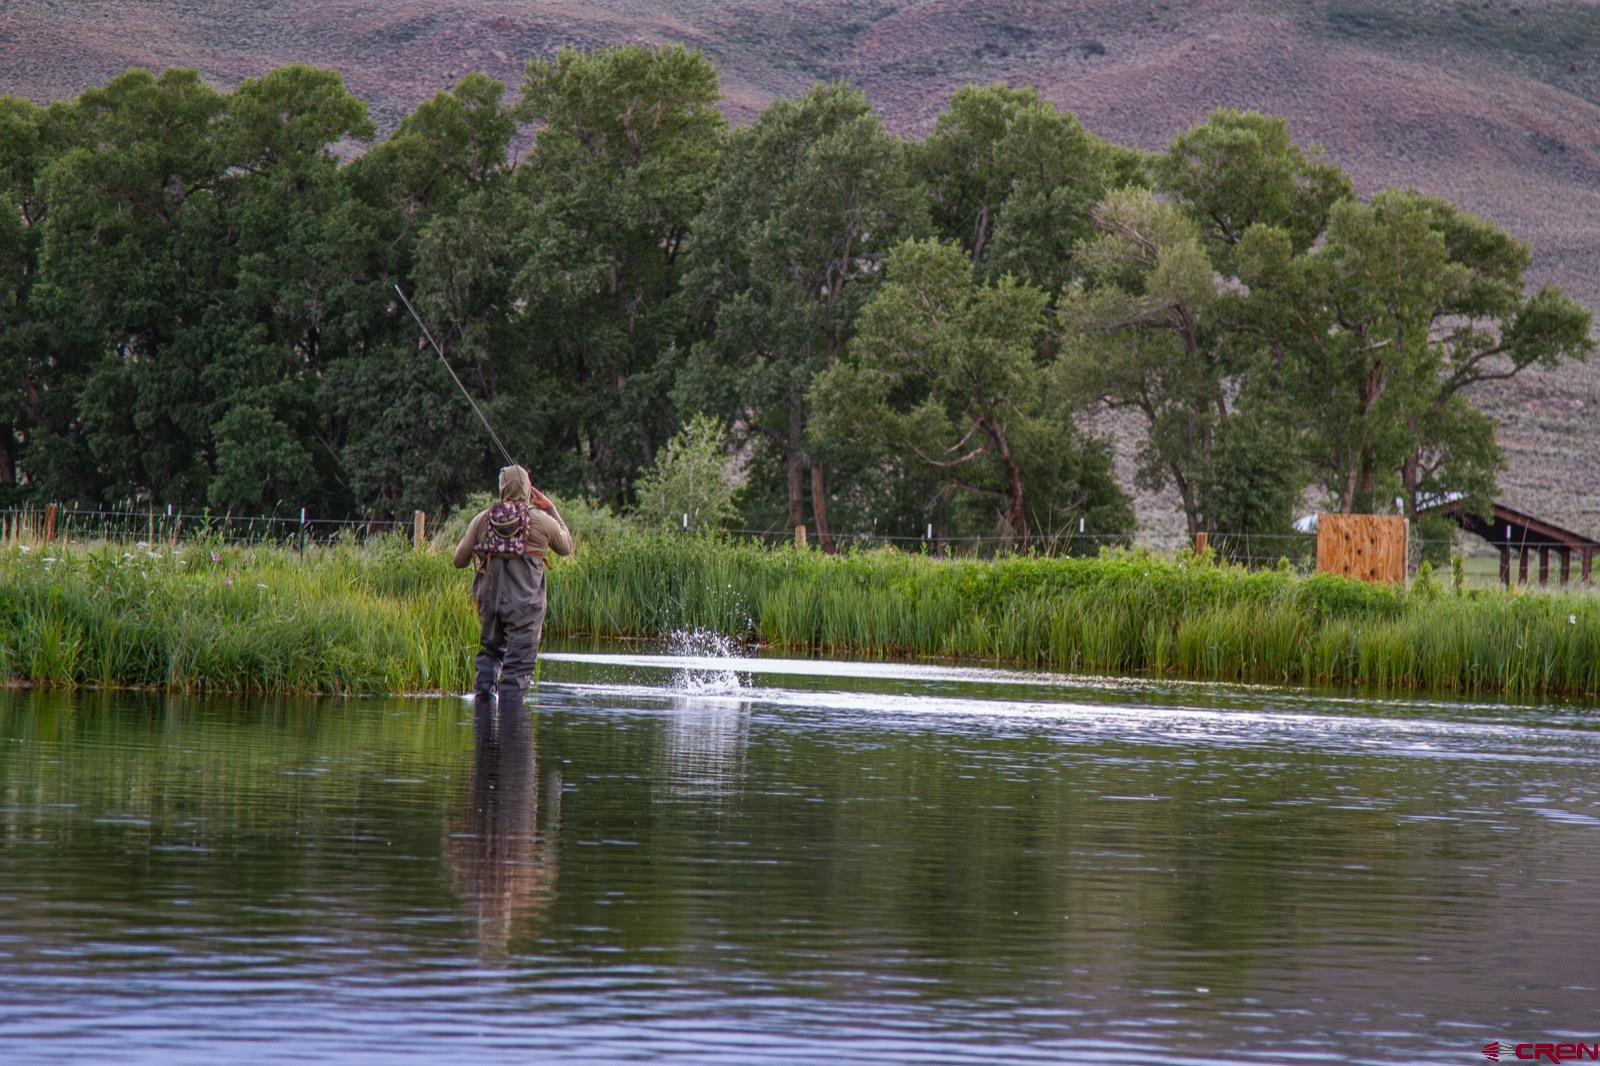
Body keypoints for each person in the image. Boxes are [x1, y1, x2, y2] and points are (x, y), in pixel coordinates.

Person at [452, 465, 573, 706]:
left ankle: (484, 717)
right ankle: (512, 721)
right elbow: (566, 547)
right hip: (526, 609)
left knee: (489, 655)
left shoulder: (482, 520)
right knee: (518, 669)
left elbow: (458, 561)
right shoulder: (542, 521)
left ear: (502, 489)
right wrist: (552, 510)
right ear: (528, 489)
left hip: (490, 604)